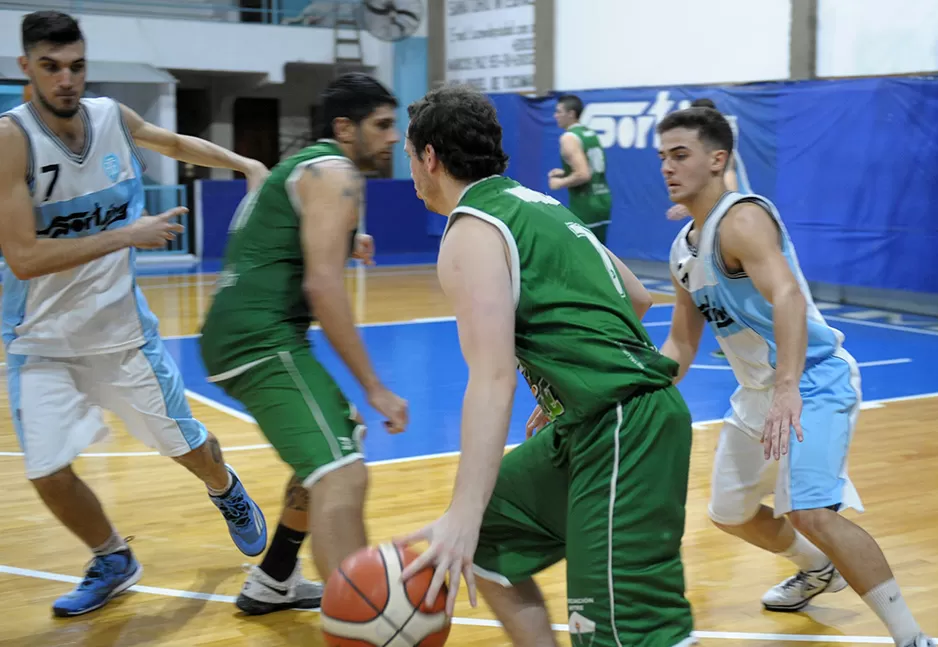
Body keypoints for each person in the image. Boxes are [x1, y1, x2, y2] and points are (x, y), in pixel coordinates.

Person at [397, 85, 696, 647]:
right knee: (490, 534)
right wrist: (561, 386)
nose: (410, 168)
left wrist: (459, 512)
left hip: (624, 427)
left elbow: (492, 378)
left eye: (410, 155)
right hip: (596, 419)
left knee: (625, 633)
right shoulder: (539, 205)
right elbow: (636, 297)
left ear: (430, 157)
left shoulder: (470, 230)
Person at [0, 11, 270, 618]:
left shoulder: (111, 118)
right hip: (39, 341)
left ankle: (224, 488)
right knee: (46, 472)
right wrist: (125, 235)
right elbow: (22, 256)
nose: (66, 79)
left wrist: (246, 165)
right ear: (27, 69)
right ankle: (112, 557)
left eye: (76, 66)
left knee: (189, 451)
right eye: (51, 67)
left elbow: (172, 143)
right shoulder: (10, 140)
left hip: (120, 336)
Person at [656, 106, 935, 647]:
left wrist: (788, 386)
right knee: (731, 515)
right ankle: (817, 569)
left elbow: (786, 295)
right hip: (758, 393)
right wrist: (634, 392)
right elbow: (682, 340)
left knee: (811, 510)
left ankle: (911, 637)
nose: (668, 167)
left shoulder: (742, 219)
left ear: (718, 160)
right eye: (663, 157)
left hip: (811, 380)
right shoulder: (682, 250)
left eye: (680, 154)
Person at [199, 72, 409, 615]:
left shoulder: (307, 166)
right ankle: (362, 623)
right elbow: (321, 286)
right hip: (259, 340)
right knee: (343, 473)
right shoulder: (336, 172)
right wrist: (375, 386)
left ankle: (274, 578)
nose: (392, 137)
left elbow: (282, 237)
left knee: (340, 436)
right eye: (382, 125)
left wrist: (346, 239)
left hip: (245, 334)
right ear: (345, 127)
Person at [548, 94, 612, 244]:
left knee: (582, 253)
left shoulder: (568, 138)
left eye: (558, 111)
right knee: (600, 252)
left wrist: (560, 183)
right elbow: (592, 168)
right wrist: (566, 172)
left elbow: (583, 174)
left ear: (571, 114)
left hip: (586, 203)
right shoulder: (590, 134)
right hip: (603, 198)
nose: (555, 115)